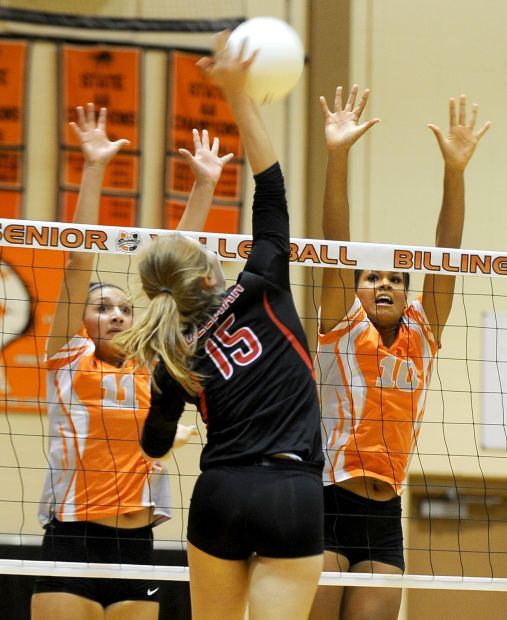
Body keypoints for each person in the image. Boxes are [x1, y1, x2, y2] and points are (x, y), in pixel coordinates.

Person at [115, 33, 324, 620]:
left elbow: (153, 444)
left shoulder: (173, 350)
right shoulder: (261, 284)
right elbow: (273, 187)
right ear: (210, 277)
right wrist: (237, 95)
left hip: (219, 496)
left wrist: (202, 187)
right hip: (289, 490)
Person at [31, 104, 233, 620]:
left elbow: (181, 261)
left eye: (126, 307)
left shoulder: (151, 357)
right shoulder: (68, 356)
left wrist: (204, 187)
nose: (119, 314)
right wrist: (94, 167)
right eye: (105, 307)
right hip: (72, 538)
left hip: (138, 543)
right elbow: (79, 261)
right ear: (83, 320)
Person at [310, 85, 490, 620]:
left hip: (386, 511)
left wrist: (454, 172)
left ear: (409, 294)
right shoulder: (342, 327)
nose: (384, 284)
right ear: (355, 286)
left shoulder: (422, 333)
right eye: (371, 277)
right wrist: (338, 155)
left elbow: (447, 254)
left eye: (396, 278)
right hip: (325, 500)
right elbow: (335, 241)